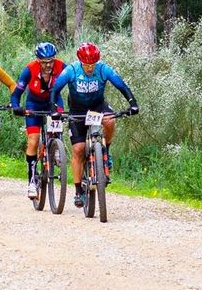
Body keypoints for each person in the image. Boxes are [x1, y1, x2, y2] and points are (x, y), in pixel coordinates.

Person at [51, 42, 138, 209]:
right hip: (77, 109)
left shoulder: (103, 69)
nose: (90, 68)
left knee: (110, 120)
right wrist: (53, 109)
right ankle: (78, 191)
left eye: (93, 64)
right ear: (80, 62)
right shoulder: (71, 70)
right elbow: (55, 90)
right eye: (86, 65)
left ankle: (106, 151)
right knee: (78, 149)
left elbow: (121, 85)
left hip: (97, 106)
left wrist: (132, 103)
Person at [9, 42, 65, 199]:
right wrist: (16, 107)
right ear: (38, 60)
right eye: (44, 62)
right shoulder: (29, 70)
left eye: (51, 61)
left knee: (58, 120)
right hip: (34, 103)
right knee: (33, 140)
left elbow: (73, 84)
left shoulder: (61, 66)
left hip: (54, 101)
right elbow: (16, 94)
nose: (48, 65)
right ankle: (32, 181)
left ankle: (57, 147)